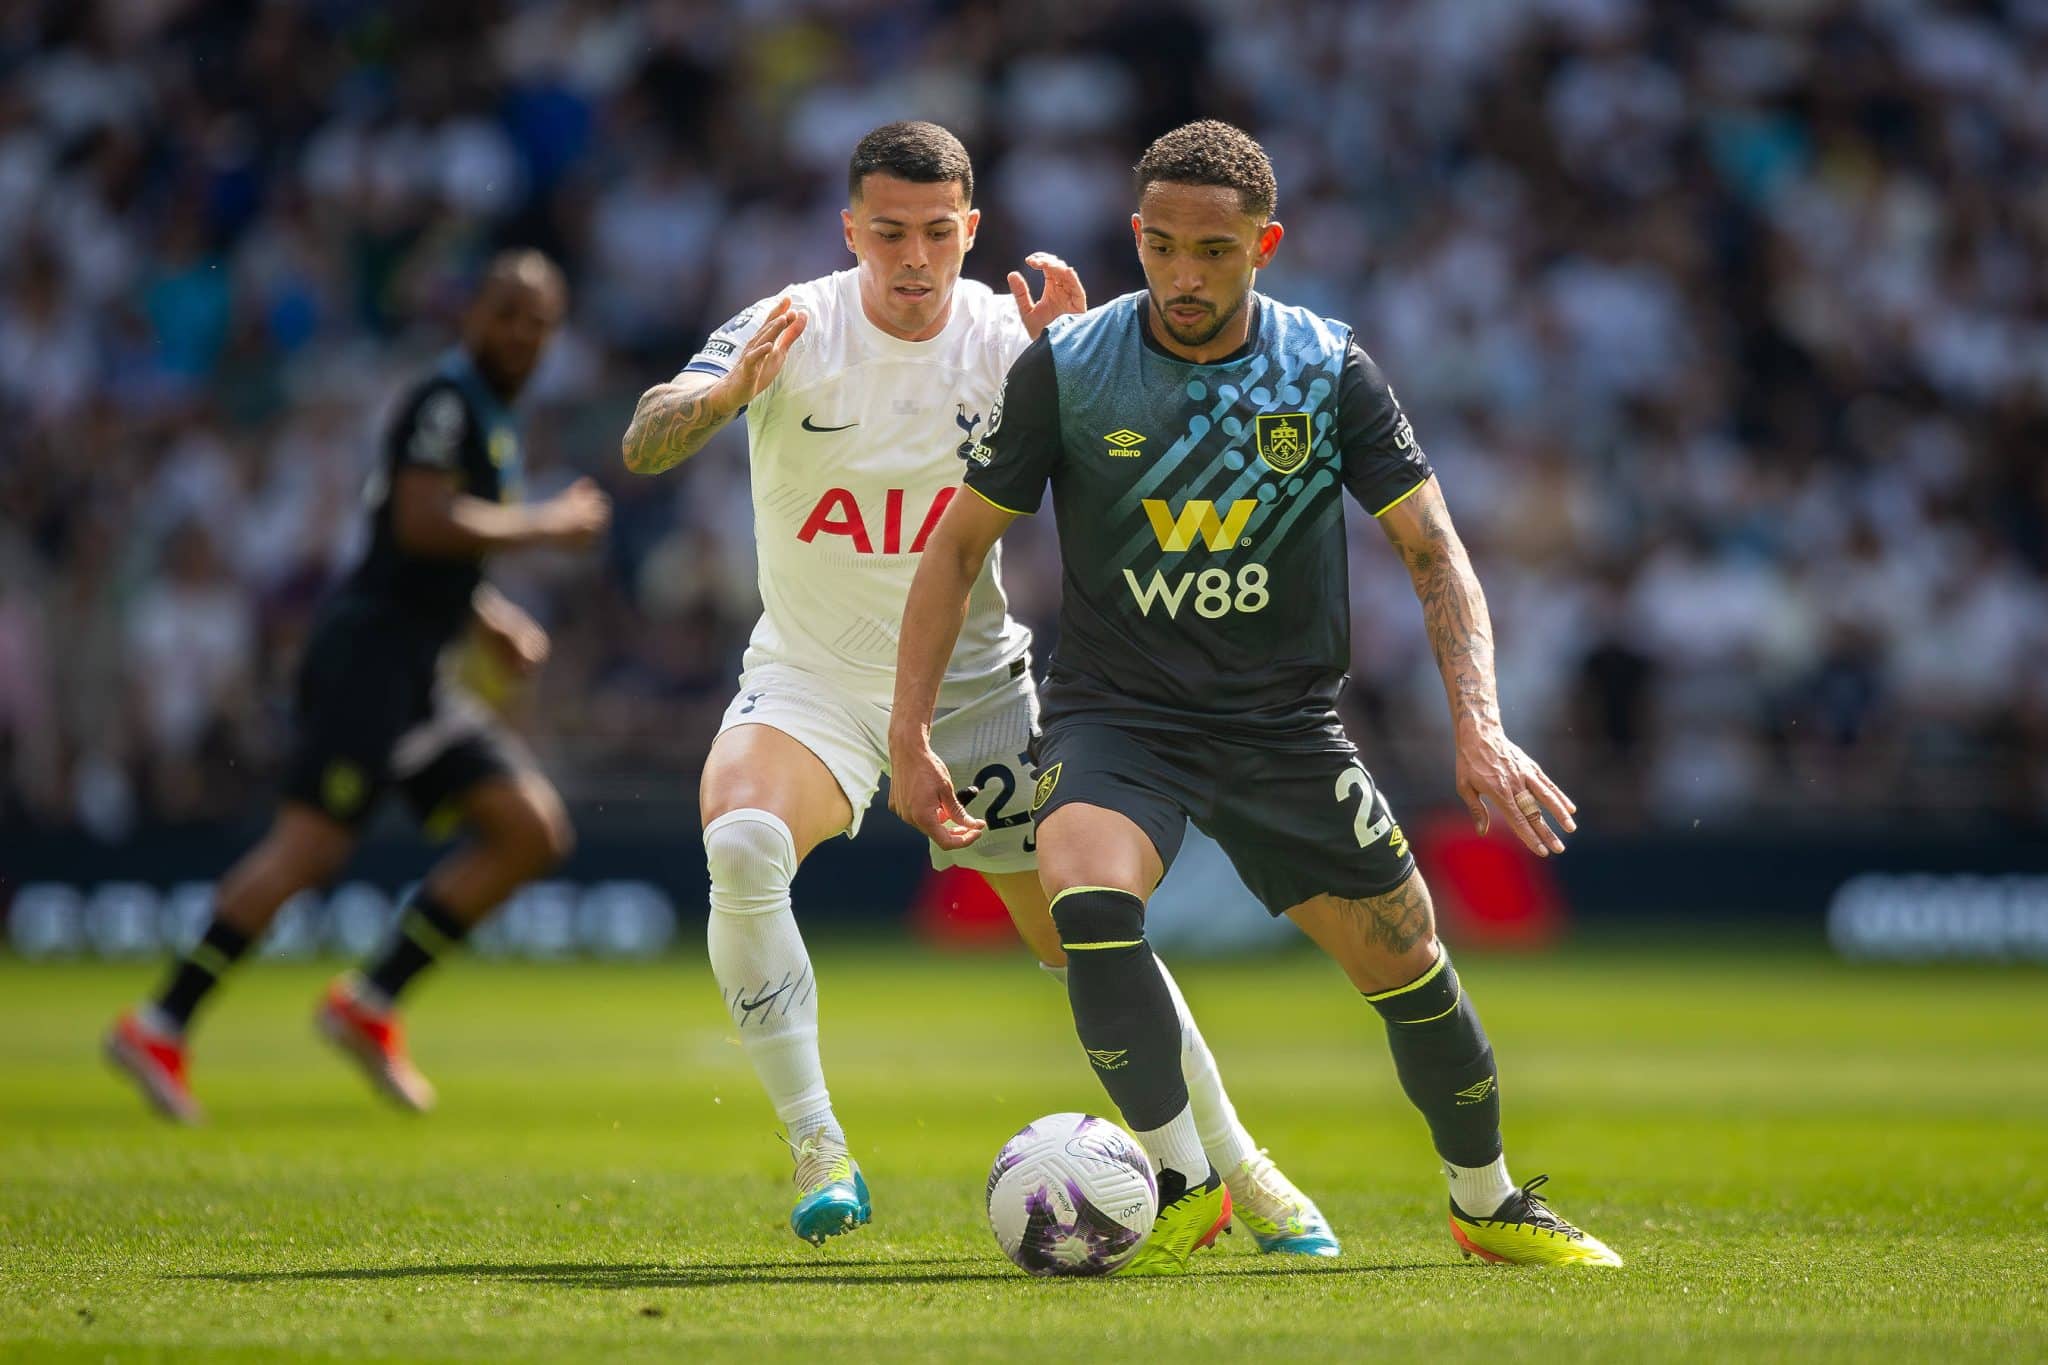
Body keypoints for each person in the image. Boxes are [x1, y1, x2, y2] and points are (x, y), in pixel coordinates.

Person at [890, 121, 1623, 1274]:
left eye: (1214, 253)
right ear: (1136, 235)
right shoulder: (1069, 369)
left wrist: (1475, 726)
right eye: (1163, 248)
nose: (1184, 277)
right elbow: (952, 552)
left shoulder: (1324, 368)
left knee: (1408, 965)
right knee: (1084, 893)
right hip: (1117, 719)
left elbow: (1432, 551)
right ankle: (1184, 1186)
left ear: (1263, 246)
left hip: (1284, 728)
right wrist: (907, 730)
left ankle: (1484, 1203)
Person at [622, 121, 1333, 1255]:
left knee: (1089, 934)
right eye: (889, 232)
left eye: (937, 232)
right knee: (743, 842)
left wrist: (1097, 372)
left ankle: (1237, 1168)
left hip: (979, 691)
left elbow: (1147, 488)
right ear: (849, 229)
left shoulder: (1019, 339)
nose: (913, 258)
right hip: (815, 681)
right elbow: (643, 439)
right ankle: (818, 1144)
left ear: (972, 230)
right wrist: (713, 403)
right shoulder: (788, 325)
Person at [106, 250, 612, 1123]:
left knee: (530, 830)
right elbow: (421, 521)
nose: (522, 334)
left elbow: (416, 543)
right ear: (472, 317)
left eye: (539, 321)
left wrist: (487, 615)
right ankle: (161, 1020)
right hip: (368, 659)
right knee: (310, 849)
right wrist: (545, 524)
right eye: (508, 313)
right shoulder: (445, 401)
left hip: (420, 669)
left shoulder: (486, 412)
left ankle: (368, 1001)